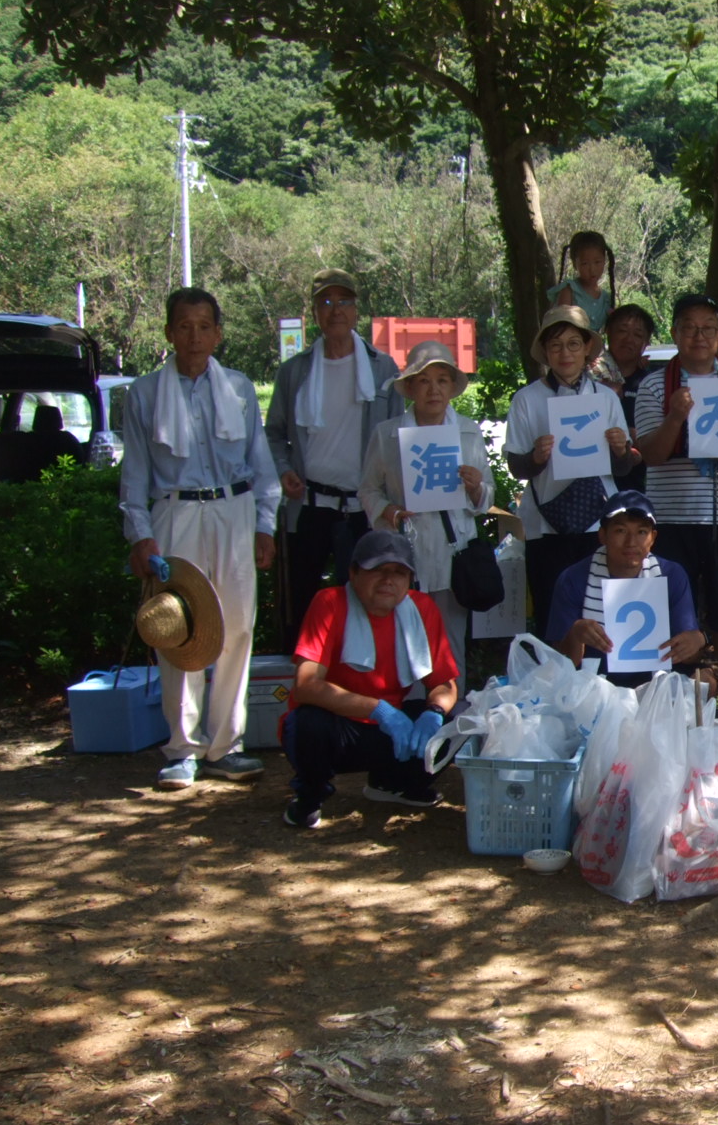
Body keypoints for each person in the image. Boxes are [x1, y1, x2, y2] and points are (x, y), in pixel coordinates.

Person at [120, 287, 282, 790]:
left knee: (235, 628)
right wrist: (141, 536)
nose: (195, 337)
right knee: (179, 628)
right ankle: (182, 748)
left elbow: (261, 465)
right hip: (176, 513)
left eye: (205, 326)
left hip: (233, 512)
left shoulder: (237, 388)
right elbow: (135, 475)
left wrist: (264, 524)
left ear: (218, 333)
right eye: (184, 327)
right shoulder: (143, 394)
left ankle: (225, 746)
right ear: (169, 333)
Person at [634, 293, 718, 689]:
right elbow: (651, 455)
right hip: (669, 517)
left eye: (708, 327)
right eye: (689, 327)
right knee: (671, 610)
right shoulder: (655, 386)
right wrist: (676, 415)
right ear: (675, 333)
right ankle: (670, 695)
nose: (699, 335)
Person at [282, 530, 458, 828]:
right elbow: (306, 685)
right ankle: (310, 796)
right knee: (306, 721)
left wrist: (435, 712)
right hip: (339, 728)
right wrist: (378, 709)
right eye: (378, 570)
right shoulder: (329, 602)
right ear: (353, 572)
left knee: (463, 716)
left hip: (392, 732)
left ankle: (397, 784)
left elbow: (445, 684)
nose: (388, 580)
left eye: (399, 572)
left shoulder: (421, 608)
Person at [266, 269, 405, 647]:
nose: (336, 310)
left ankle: (362, 689)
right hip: (308, 506)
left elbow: (400, 435)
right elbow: (274, 434)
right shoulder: (295, 372)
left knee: (366, 605)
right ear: (314, 312)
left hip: (363, 508)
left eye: (344, 301)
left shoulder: (383, 369)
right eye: (326, 302)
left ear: (356, 309)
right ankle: (305, 691)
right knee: (302, 605)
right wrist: (283, 470)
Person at [359, 341, 494, 689]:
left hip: (454, 550)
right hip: (405, 552)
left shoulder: (467, 431)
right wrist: (387, 510)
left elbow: (486, 496)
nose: (433, 389)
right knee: (402, 638)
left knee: (449, 641)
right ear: (410, 387)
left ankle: (450, 720)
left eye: (442, 380)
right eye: (423, 380)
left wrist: (476, 486)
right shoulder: (387, 434)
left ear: (452, 386)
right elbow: (368, 489)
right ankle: (406, 720)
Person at [505, 305, 641, 632]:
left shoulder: (606, 398)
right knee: (554, 611)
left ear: (587, 349)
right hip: (546, 524)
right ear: (545, 353)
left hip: (599, 522)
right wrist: (536, 457)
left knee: (602, 611)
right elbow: (515, 466)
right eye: (555, 345)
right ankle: (557, 679)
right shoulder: (526, 399)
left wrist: (621, 449)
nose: (565, 353)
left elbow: (621, 469)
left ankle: (601, 682)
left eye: (573, 344)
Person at [545, 491, 708, 689]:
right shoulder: (573, 578)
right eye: (621, 531)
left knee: (707, 682)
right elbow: (561, 664)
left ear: (653, 537)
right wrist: (575, 635)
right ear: (603, 535)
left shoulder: (671, 575)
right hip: (591, 685)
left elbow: (688, 656)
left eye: (641, 532)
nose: (631, 542)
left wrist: (698, 640)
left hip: (655, 681)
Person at [601, 303, 657, 492]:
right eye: (622, 331)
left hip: (635, 487)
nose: (629, 339)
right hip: (590, 486)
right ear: (608, 332)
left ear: (646, 342)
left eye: (638, 335)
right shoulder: (588, 378)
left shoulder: (651, 384)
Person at [548, 230, 616, 330]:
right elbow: (560, 324)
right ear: (575, 264)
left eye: (597, 262)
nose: (592, 269)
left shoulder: (605, 298)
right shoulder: (569, 290)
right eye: (585, 263)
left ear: (604, 260)